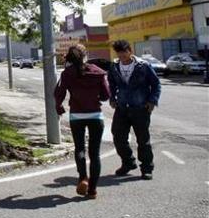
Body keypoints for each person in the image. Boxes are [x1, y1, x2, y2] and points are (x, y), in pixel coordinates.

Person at [55, 44, 111, 199]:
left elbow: (59, 92)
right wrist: (96, 98)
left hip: (77, 116)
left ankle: (82, 178)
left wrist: (58, 106)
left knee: (80, 149)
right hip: (95, 116)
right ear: (85, 56)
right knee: (95, 154)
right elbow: (106, 95)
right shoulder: (97, 72)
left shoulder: (67, 73)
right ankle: (92, 190)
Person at [107, 39, 161, 180]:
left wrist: (152, 101)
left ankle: (147, 168)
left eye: (124, 52)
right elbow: (111, 84)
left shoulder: (143, 66)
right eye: (119, 53)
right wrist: (112, 98)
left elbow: (156, 84)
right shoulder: (114, 66)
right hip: (122, 107)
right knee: (118, 136)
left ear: (130, 51)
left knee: (143, 139)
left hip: (140, 107)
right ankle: (128, 162)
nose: (122, 56)